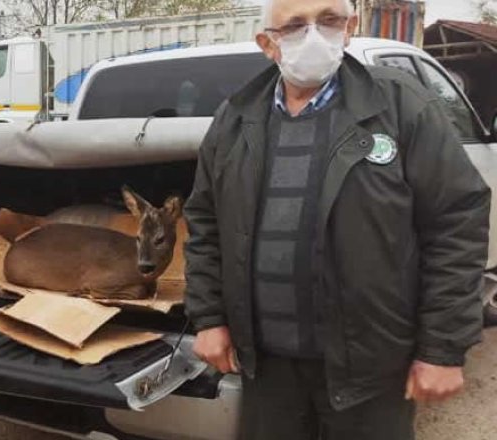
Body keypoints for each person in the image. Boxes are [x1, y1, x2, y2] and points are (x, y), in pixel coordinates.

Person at [183, 0, 490, 439]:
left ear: (351, 27)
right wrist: (209, 318)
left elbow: (456, 222)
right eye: (294, 26)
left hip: (371, 371)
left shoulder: (402, 106)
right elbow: (205, 222)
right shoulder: (235, 119)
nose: (314, 36)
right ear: (267, 44)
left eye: (328, 20)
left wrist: (442, 349)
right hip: (268, 372)